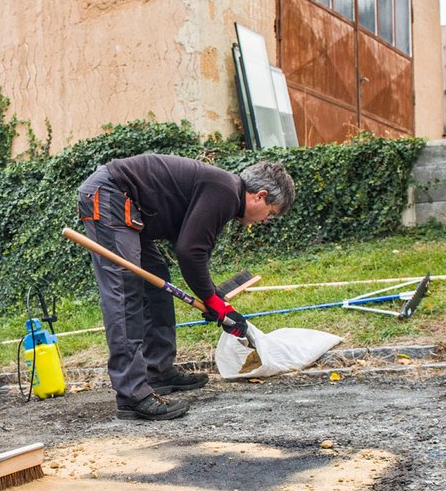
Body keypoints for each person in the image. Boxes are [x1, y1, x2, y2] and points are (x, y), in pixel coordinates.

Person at [77, 154, 295, 421]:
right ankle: (132, 395)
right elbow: (190, 252)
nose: (264, 221)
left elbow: (192, 246)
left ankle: (157, 371)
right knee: (126, 292)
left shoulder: (223, 192)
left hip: (128, 205)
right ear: (260, 196)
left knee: (156, 285)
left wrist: (215, 299)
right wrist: (214, 301)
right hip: (110, 195)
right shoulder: (225, 191)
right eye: (270, 214)